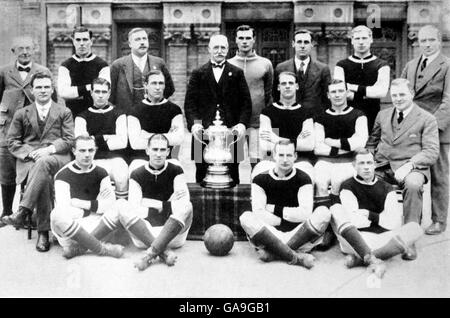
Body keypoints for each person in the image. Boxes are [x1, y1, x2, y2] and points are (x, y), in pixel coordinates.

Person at [86, 134, 193, 271]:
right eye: (155, 149)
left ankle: (149, 255)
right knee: (121, 205)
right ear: (147, 150)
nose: (158, 154)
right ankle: (162, 252)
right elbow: (136, 209)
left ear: (168, 152)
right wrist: (166, 204)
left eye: (162, 150)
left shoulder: (176, 170)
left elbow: (183, 203)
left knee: (187, 205)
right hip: (144, 234)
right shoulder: (137, 174)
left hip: (174, 235)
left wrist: (149, 202)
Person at [367, 78, 439, 259]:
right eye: (394, 95)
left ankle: (409, 239)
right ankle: (374, 233)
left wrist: (410, 165)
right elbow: (372, 142)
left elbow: (431, 151)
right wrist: (368, 160)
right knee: (364, 181)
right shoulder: (382, 115)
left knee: (413, 185)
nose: (398, 99)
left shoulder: (427, 118)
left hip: (412, 167)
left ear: (412, 94)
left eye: (402, 95)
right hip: (382, 166)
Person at [3, 72, 74, 252]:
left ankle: (23, 211)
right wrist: (31, 153)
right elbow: (12, 141)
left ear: (52, 90)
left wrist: (48, 150)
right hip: (30, 160)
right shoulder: (22, 113)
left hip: (58, 156)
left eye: (46, 87)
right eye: (39, 87)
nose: (43, 90)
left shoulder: (64, 111)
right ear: (32, 91)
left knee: (43, 163)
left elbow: (69, 139)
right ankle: (43, 231)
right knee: (44, 175)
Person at [331, 149, 424, 278]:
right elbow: (354, 222)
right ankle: (376, 256)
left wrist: (369, 215)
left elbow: (393, 223)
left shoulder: (387, 188)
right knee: (336, 209)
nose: (366, 168)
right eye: (361, 163)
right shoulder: (348, 186)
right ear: (354, 166)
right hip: (357, 239)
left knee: (415, 229)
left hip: (383, 238)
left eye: (369, 163)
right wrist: (381, 218)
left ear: (374, 165)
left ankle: (361, 259)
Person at [240, 140, 331, 269]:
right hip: (270, 233)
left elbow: (305, 214)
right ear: (274, 156)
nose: (285, 160)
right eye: (281, 155)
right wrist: (283, 220)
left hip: (298, 233)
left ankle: (274, 253)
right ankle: (295, 256)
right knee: (246, 217)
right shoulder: (260, 179)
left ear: (295, 156)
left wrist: (275, 209)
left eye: (289, 155)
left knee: (324, 212)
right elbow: (259, 213)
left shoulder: (303, 178)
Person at [401, 25, 450, 235]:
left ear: (439, 41)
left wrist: (433, 126)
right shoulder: (411, 65)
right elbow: (402, 94)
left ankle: (439, 219)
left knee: (439, 175)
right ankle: (413, 220)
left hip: (436, 128)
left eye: (431, 40)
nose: (427, 45)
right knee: (412, 173)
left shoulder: (447, 65)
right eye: (423, 41)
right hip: (412, 126)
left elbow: (449, 100)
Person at [184, 34, 252, 185]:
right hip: (203, 132)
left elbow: (246, 103)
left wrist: (241, 124)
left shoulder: (237, 73)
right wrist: (195, 124)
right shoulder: (198, 73)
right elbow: (190, 104)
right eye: (216, 47)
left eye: (223, 47)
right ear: (209, 49)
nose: (219, 51)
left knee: (233, 172)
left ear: (228, 49)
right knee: (201, 171)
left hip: (231, 131)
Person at [0, 36, 53, 227]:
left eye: (28, 48)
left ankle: (27, 213)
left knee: (28, 166)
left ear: (34, 50)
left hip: (32, 129)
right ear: (14, 51)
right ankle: (6, 211)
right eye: (20, 48)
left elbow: (50, 98)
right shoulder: (5, 72)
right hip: (7, 128)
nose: (25, 52)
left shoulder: (42, 71)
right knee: (6, 170)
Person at [50, 135, 125, 259]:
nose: (87, 155)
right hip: (72, 229)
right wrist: (95, 206)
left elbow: (109, 204)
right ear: (74, 151)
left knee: (119, 205)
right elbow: (65, 210)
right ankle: (104, 249)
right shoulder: (62, 175)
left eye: (91, 150)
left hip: (98, 226)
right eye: (82, 150)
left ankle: (79, 248)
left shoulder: (101, 172)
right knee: (56, 214)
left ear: (95, 151)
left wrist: (80, 203)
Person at [313, 79, 368, 205]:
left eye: (340, 91)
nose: (337, 95)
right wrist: (348, 145)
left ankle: (338, 218)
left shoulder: (359, 115)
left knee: (338, 181)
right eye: (333, 92)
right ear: (328, 95)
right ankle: (323, 217)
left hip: (348, 161)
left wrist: (332, 142)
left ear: (347, 93)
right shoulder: (320, 117)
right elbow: (318, 147)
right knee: (320, 182)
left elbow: (360, 143)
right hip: (324, 161)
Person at [74, 78, 128, 200]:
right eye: (97, 91)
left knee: (122, 174)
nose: (100, 96)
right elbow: (82, 143)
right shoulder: (82, 117)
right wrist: (106, 137)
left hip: (115, 159)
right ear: (91, 93)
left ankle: (121, 204)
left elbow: (122, 142)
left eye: (104, 92)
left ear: (109, 93)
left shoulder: (119, 114)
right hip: (92, 159)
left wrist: (93, 138)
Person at [228, 25, 273, 168]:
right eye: (241, 38)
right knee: (233, 162)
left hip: (257, 123)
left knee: (258, 163)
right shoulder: (229, 64)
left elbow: (268, 93)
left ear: (254, 40)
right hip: (235, 123)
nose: (244, 41)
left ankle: (256, 190)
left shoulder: (265, 64)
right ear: (236, 40)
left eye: (248, 38)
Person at [256, 71, 314, 179]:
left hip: (299, 161)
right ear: (278, 87)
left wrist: (276, 139)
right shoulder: (267, 112)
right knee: (257, 175)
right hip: (272, 161)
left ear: (296, 86)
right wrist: (296, 142)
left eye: (291, 83)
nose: (287, 86)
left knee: (308, 177)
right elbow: (265, 145)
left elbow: (309, 145)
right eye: (283, 83)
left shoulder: (306, 113)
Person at [334, 25, 390, 132]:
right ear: (352, 41)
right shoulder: (341, 65)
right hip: (347, 114)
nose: (361, 42)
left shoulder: (382, 65)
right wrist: (369, 93)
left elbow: (381, 92)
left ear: (371, 40)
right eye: (357, 38)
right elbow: (340, 92)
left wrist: (351, 87)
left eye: (364, 38)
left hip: (373, 114)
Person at [127, 70, 184, 171]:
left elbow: (178, 139)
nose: (158, 87)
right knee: (133, 171)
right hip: (141, 159)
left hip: (167, 158)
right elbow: (135, 144)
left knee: (178, 170)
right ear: (146, 85)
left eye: (161, 83)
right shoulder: (134, 111)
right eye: (154, 83)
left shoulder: (174, 109)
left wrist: (146, 135)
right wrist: (167, 137)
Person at [110, 28, 174, 115]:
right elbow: (111, 94)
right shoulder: (118, 65)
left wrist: (156, 101)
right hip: (126, 115)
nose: (142, 42)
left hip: (153, 114)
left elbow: (169, 89)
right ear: (130, 44)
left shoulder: (159, 63)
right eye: (137, 39)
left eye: (144, 39)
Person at [273, 29, 331, 114]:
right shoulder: (281, 68)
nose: (302, 46)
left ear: (312, 44)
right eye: (299, 42)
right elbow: (275, 95)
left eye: (306, 42)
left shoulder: (323, 69)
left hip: (313, 118)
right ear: (293, 44)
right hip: (288, 116)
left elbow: (327, 98)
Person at [58, 26, 110, 118]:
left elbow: (103, 90)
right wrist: (88, 87)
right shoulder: (65, 65)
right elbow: (63, 92)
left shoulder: (102, 65)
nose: (82, 43)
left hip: (96, 114)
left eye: (85, 39)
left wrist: (75, 92)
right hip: (73, 114)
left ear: (91, 41)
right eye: (78, 40)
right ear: (73, 41)